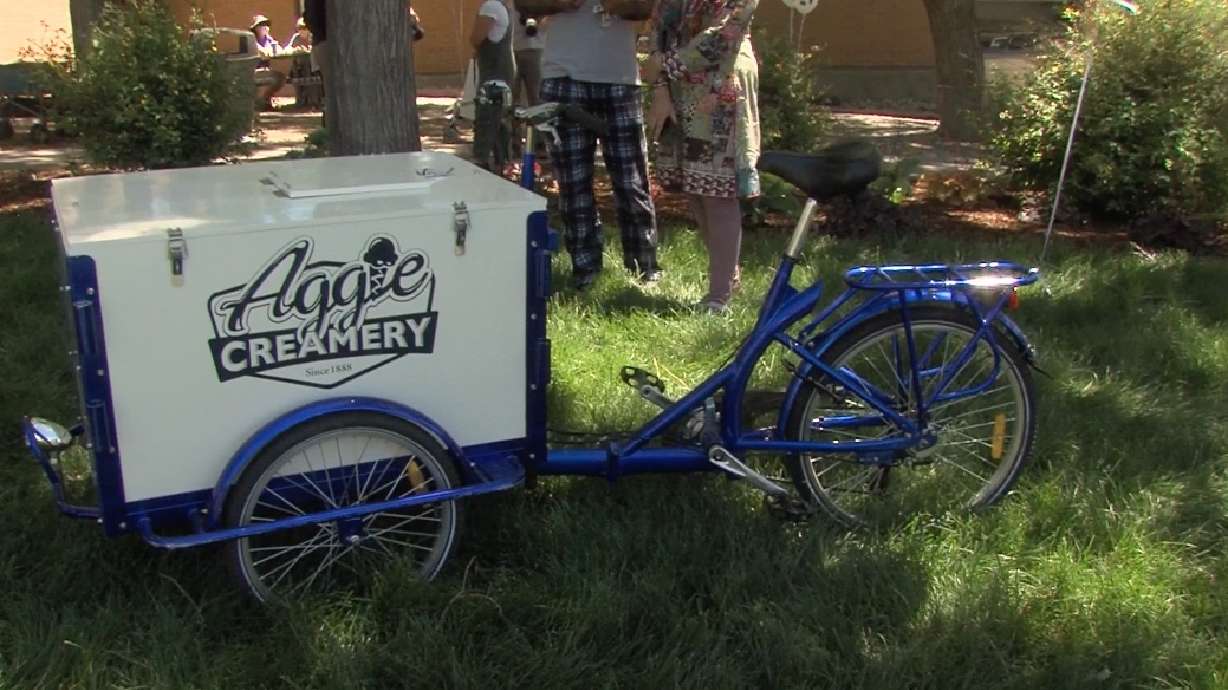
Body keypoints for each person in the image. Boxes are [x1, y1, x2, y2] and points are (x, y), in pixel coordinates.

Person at [644, 0, 761, 313]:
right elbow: (658, 28)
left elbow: (724, 33)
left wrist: (666, 66)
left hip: (722, 87)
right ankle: (728, 277)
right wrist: (660, 88)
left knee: (717, 190)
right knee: (695, 188)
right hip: (679, 89)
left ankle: (719, 297)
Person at [541, 0, 661, 290]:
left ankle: (644, 267)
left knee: (631, 182)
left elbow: (645, 9)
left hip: (620, 79)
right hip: (562, 79)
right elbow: (525, 5)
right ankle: (585, 270)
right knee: (573, 185)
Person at [469, 0, 515, 172]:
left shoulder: (491, 7)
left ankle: (481, 161)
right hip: (501, 69)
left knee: (487, 116)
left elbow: (476, 38)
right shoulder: (503, 6)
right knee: (499, 119)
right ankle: (503, 162)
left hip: (494, 71)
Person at [250, 14, 287, 111]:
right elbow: (262, 53)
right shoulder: (252, 40)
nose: (265, 27)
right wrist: (269, 51)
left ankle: (264, 99)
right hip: (253, 71)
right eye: (262, 25)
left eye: (266, 24)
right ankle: (263, 100)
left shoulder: (269, 39)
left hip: (266, 71)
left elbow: (279, 50)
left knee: (281, 77)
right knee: (277, 78)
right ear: (256, 28)